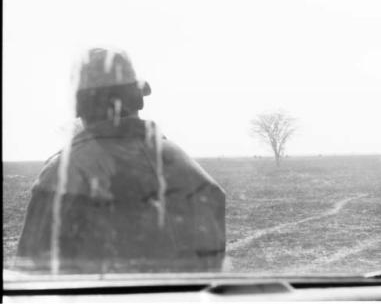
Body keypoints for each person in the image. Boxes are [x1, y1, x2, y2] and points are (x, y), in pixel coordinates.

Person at [15, 48, 226, 274]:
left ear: (80, 106)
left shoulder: (63, 173)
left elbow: (31, 277)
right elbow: (211, 269)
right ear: (137, 100)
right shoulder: (187, 168)